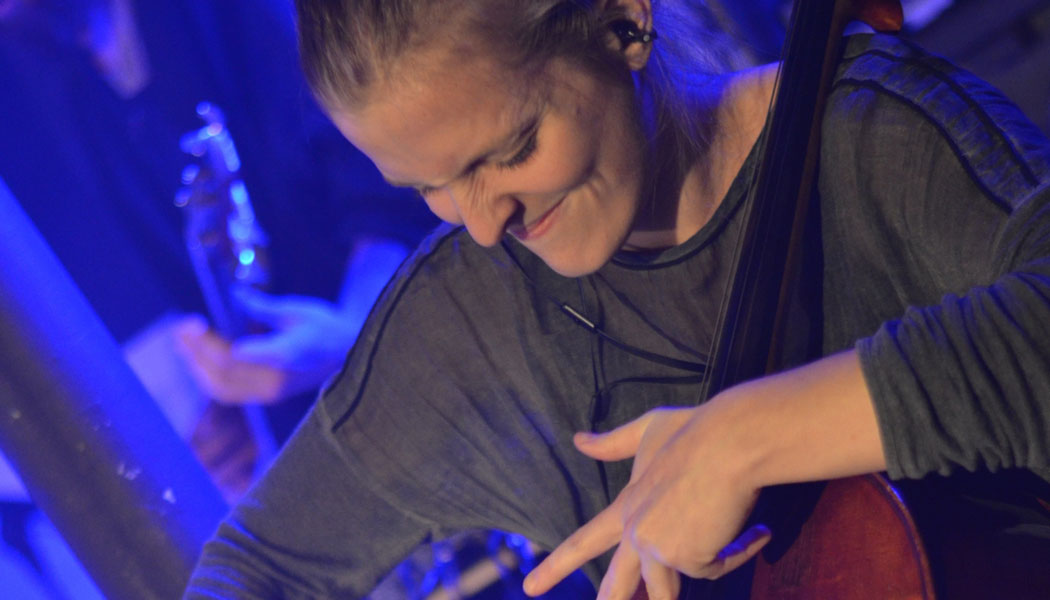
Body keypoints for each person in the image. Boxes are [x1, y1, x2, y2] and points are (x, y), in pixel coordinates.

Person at [184, 0, 1050, 598]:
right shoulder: (468, 319)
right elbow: (254, 571)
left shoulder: (875, 139)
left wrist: (743, 440)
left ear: (621, 21)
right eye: (427, 187)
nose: (482, 225)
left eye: (510, 150)